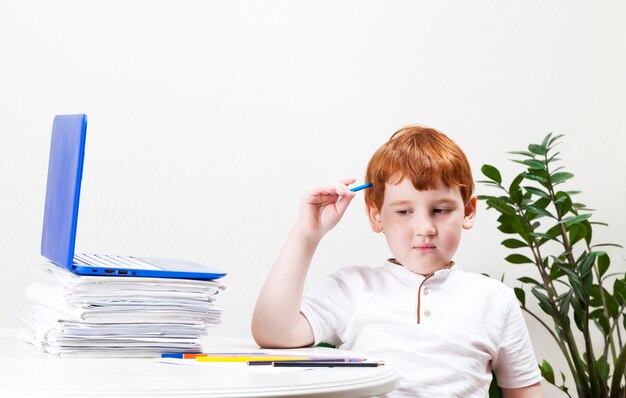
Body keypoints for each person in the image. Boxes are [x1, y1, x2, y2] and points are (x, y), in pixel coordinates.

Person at [251, 125, 544, 397]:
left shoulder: (495, 299)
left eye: (441, 209)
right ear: (376, 215)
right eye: (404, 212)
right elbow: (274, 333)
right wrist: (306, 234)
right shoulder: (352, 287)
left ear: (468, 211)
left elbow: (526, 392)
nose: (425, 228)